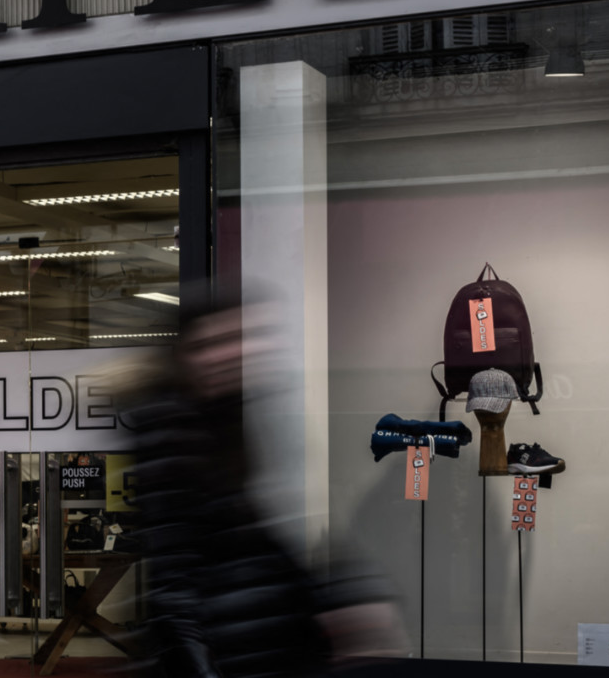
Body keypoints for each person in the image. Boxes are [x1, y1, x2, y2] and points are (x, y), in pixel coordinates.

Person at [128, 286, 405, 678]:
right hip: (233, 652)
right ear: (185, 354)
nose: (233, 354)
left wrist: (350, 592)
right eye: (214, 342)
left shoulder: (245, 420)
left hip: (271, 645)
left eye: (246, 339)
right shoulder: (172, 430)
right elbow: (174, 584)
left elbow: (278, 541)